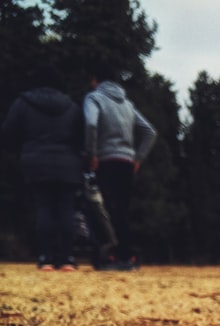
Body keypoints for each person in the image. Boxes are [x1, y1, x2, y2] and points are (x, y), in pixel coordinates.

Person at [1, 65, 84, 271]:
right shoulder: (72, 106)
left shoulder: (23, 102)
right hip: (68, 162)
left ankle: (46, 257)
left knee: (43, 207)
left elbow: (7, 132)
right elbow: (82, 135)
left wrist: (23, 147)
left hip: (35, 160)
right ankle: (66, 258)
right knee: (66, 208)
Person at [83, 62, 157, 270]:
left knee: (103, 210)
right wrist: (138, 157)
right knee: (121, 210)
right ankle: (126, 255)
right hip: (126, 161)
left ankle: (108, 254)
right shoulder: (127, 104)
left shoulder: (94, 98)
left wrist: (92, 153)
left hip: (105, 159)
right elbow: (149, 131)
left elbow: (90, 123)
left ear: (95, 80)